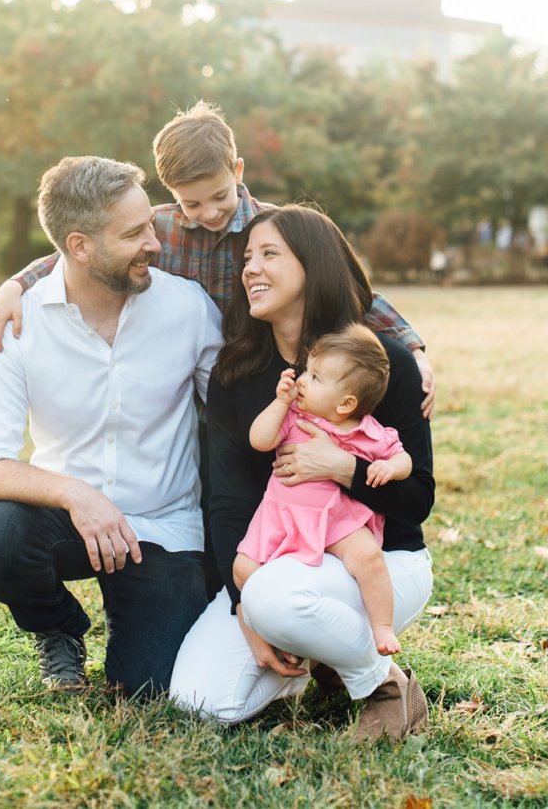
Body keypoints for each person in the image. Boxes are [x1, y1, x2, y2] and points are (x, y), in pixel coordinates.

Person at [0, 100, 435, 417]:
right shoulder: (159, 228)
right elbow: (82, 252)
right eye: (192, 204)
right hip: (189, 375)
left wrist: (412, 347)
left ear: (236, 171)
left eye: (219, 196)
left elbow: (352, 290)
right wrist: (15, 285)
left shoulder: (279, 229)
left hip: (267, 369)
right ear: (172, 194)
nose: (210, 213)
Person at [170, 205, 435, 741]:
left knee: (276, 597)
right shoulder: (236, 373)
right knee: (199, 702)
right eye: (248, 257)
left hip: (379, 563)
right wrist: (244, 609)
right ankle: (319, 653)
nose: (250, 269)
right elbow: (224, 502)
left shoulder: (383, 365)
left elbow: (417, 499)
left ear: (314, 267)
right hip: (276, 565)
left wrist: (343, 468)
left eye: (270, 254)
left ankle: (380, 682)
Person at [0, 156, 222, 697]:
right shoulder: (18, 324)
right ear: (79, 246)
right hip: (65, 522)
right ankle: (59, 629)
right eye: (134, 233)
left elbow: (233, 422)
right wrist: (75, 495)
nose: (155, 242)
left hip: (165, 527)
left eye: (150, 224)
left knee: (156, 689)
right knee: (1, 541)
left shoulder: (188, 308)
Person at [235, 325, 411, 657]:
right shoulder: (294, 416)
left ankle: (382, 626)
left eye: (315, 378)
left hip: (336, 518)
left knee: (369, 557)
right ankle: (264, 627)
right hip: (282, 516)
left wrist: (390, 467)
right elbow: (260, 440)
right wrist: (278, 402)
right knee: (243, 569)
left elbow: (402, 457)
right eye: (306, 370)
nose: (301, 379)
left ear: (346, 403)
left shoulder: (366, 431)